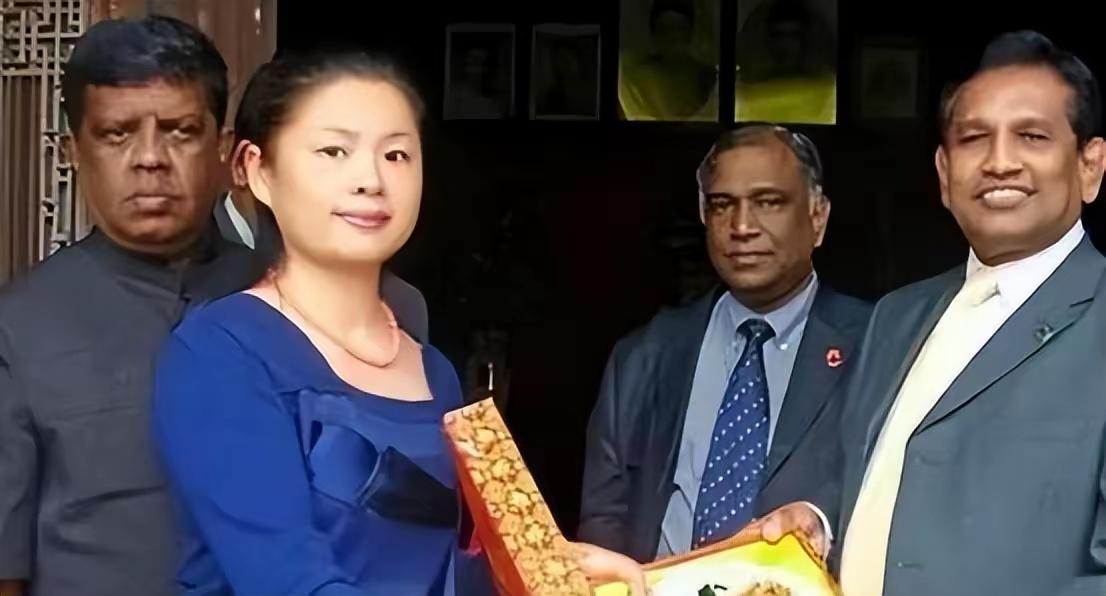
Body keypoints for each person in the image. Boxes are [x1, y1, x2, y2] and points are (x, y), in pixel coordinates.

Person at [152, 50, 646, 595]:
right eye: (334, 151)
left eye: (396, 154)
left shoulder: (434, 371)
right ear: (256, 170)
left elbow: (449, 571)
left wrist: (558, 573)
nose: (371, 179)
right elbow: (290, 581)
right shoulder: (219, 355)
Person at [744, 31, 1106, 595]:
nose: (1000, 162)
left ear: (1090, 166)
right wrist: (820, 521)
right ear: (943, 172)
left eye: (1032, 136)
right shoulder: (898, 316)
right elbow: (866, 469)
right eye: (974, 139)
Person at [0, 16, 267, 596]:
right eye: (117, 134)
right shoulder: (18, 326)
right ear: (74, 152)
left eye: (180, 131)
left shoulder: (286, 298)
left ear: (223, 151)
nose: (150, 158)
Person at [578, 124, 872, 562]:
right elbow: (604, 522)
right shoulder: (646, 355)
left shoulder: (876, 346)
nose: (742, 226)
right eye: (722, 206)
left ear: (817, 217)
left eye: (768, 202)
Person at [619, 0, 716, 120]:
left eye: (680, 29)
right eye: (665, 29)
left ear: (690, 33)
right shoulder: (637, 78)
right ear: (654, 34)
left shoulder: (707, 76)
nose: (673, 36)